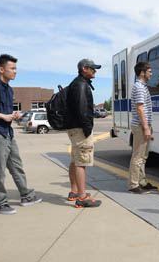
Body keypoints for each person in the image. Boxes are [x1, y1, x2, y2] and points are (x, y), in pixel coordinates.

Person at [0, 54, 42, 214]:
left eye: (15, 68)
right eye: (12, 68)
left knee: (17, 166)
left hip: (8, 133)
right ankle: (0, 203)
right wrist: (3, 116)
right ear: (1, 69)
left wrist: (13, 115)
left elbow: (4, 111)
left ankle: (26, 196)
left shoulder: (9, 89)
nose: (15, 72)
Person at [65, 58, 102, 208]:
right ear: (83, 69)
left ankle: (74, 191)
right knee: (82, 162)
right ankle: (82, 197)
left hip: (73, 128)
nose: (95, 71)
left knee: (75, 160)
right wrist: (87, 129)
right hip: (80, 129)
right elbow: (82, 110)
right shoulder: (81, 85)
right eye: (92, 68)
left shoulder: (76, 83)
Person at [128, 62, 158, 194]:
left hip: (144, 125)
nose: (151, 74)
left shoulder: (142, 86)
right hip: (140, 126)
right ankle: (134, 185)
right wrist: (146, 127)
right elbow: (139, 108)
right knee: (137, 156)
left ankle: (142, 182)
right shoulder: (139, 87)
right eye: (149, 71)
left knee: (143, 156)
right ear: (142, 73)